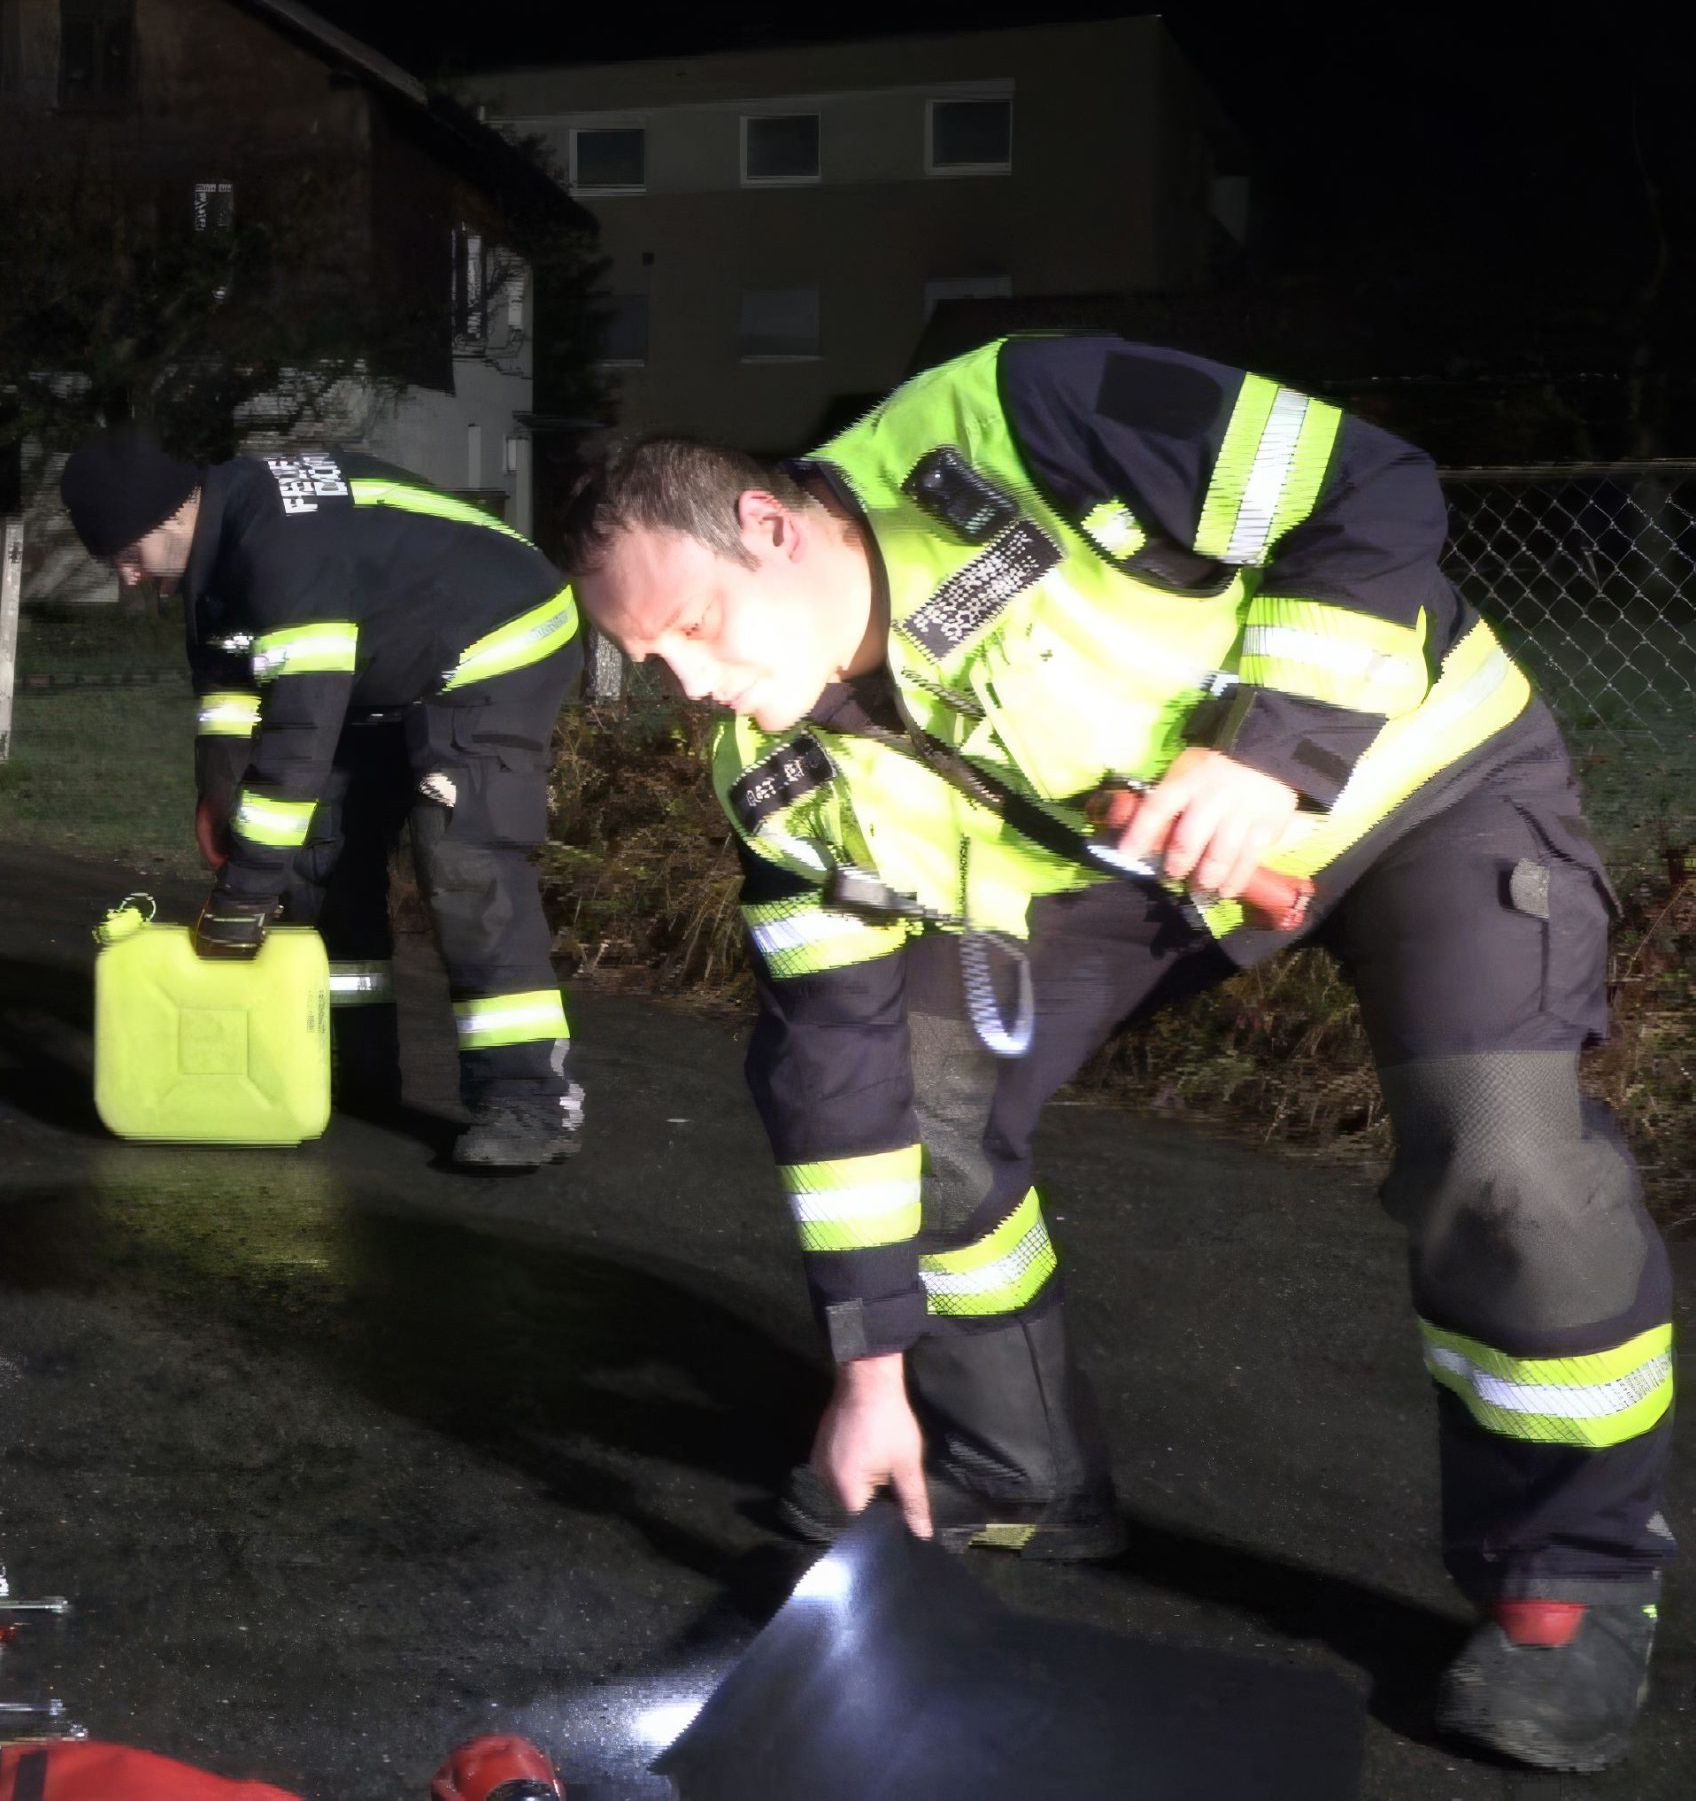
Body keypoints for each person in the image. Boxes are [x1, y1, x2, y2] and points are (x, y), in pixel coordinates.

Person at [561, 335, 1676, 1774]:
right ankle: (1008, 1464)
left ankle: (1569, 1586)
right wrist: (869, 1371)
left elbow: (1369, 486)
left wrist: (1269, 746)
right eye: (652, 664)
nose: (690, 687)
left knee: (1510, 1162)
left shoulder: (1017, 415)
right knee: (922, 1116)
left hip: (1406, 779)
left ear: (769, 527)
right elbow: (834, 1083)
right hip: (1137, 874)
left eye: (696, 628)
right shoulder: (773, 782)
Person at [58, 429, 590, 1168]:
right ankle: (351, 1067)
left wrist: (246, 893)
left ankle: (531, 1102)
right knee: (320, 857)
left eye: (126, 555)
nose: (128, 578)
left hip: (496, 639)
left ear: (170, 515)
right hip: (380, 663)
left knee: (463, 858)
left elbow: (301, 729)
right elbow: (228, 696)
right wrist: (220, 800)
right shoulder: (213, 557)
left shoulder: (281, 542)